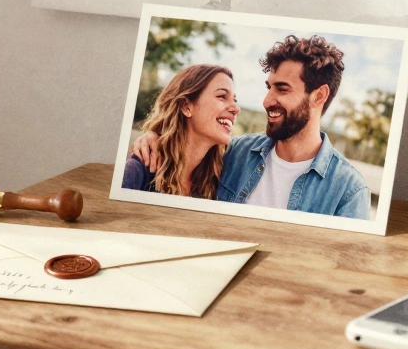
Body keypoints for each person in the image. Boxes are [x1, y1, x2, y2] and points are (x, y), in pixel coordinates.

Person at [135, 36, 371, 219]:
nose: (267, 101)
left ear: (318, 96)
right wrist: (155, 138)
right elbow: (186, 147)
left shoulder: (348, 191)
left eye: (282, 88)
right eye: (269, 87)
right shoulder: (235, 153)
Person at [121, 64, 240, 198]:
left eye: (235, 100)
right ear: (186, 106)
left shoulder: (217, 184)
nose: (236, 109)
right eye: (222, 96)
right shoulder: (139, 171)